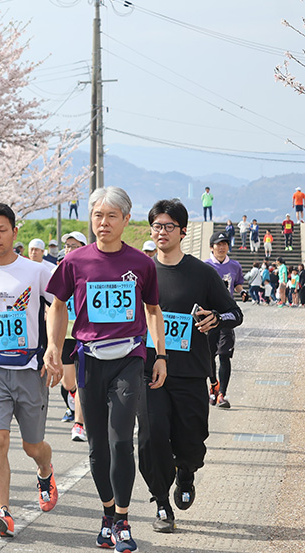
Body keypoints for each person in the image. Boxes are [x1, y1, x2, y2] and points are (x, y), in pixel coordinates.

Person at [44, 186, 167, 553]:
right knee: (98, 447)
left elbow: (152, 310)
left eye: (112, 216)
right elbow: (57, 304)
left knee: (120, 441)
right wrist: (54, 344)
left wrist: (159, 354)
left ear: (126, 221)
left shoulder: (142, 264)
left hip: (129, 359)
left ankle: (124, 521)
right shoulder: (74, 261)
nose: (104, 223)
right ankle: (107, 514)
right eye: (98, 215)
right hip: (89, 360)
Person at [139, 199, 242, 533]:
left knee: (191, 440)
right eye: (156, 226)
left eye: (168, 226)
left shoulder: (202, 273)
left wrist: (216, 318)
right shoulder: (141, 272)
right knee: (152, 438)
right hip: (150, 372)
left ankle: (186, 472)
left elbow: (234, 314)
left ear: (183, 231)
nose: (161, 232)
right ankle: (162, 504)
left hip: (190, 372)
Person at [0, 203, 59, 538]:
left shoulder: (37, 271)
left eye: (2, 230)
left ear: (15, 232)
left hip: (30, 369)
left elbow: (58, 307)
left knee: (32, 446)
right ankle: (2, 510)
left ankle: (45, 471)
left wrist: (54, 348)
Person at [204, 232, 242, 409]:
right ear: (211, 247)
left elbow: (238, 284)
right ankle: (213, 385)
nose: (221, 247)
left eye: (225, 244)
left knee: (225, 355)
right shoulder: (204, 267)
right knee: (209, 355)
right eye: (218, 244)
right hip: (209, 317)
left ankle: (222, 395)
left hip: (227, 316)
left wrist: (242, 291)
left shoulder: (235, 266)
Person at [57, 232, 88, 444]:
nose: (69, 249)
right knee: (69, 382)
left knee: (80, 380)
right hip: (64, 335)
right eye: (67, 246)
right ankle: (77, 401)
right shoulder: (56, 272)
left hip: (85, 335)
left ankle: (79, 424)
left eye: (74, 245)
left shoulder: (90, 272)